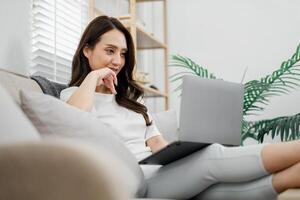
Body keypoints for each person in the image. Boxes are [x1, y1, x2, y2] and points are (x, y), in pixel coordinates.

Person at [60, 15, 300, 200]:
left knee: (215, 190)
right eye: (109, 51)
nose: (118, 61)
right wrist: (95, 77)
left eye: (123, 54)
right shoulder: (72, 96)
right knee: (213, 155)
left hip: (156, 170)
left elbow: (156, 144)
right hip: (131, 178)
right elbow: (73, 123)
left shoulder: (131, 98)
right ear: (87, 50)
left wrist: (178, 154)